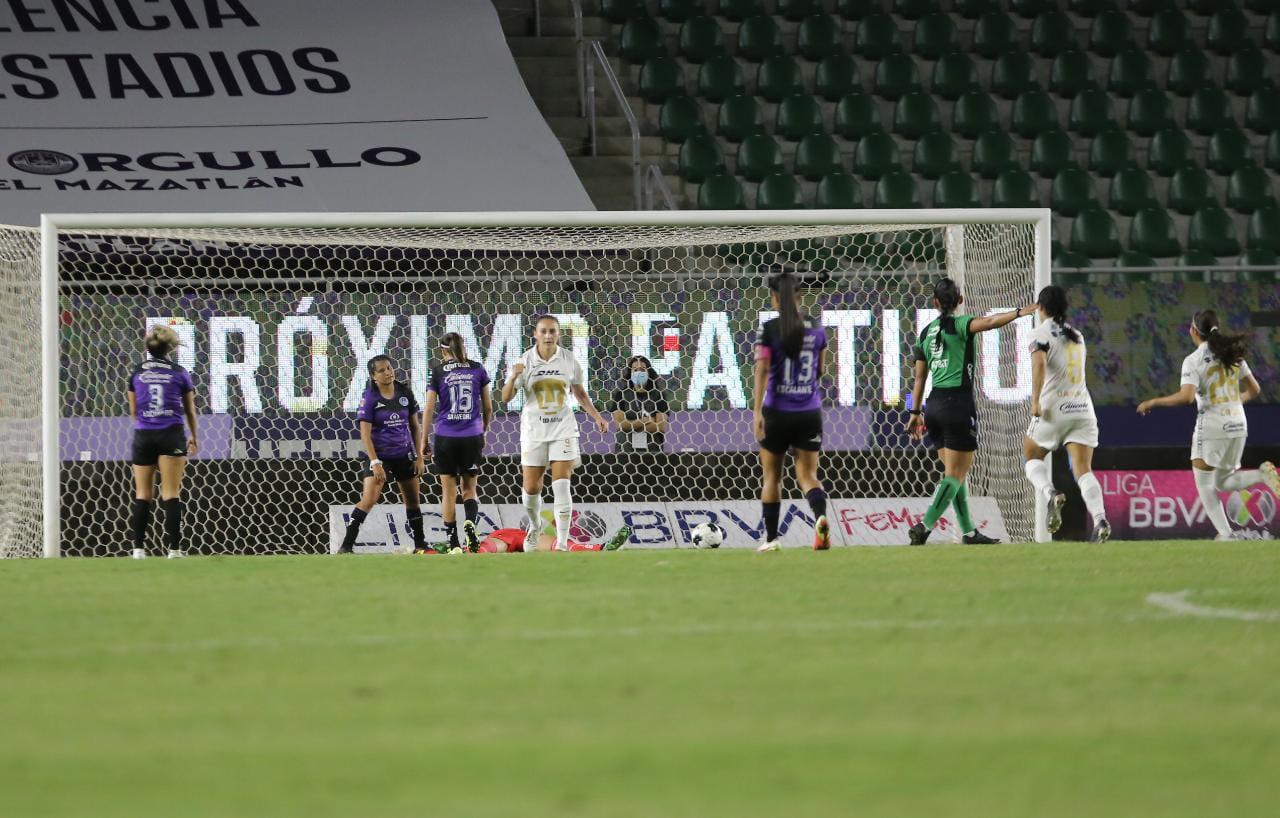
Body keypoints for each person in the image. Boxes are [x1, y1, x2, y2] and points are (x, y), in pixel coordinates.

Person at [906, 278, 1037, 546]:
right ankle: (924, 525)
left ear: (935, 302)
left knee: (952, 475)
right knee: (955, 475)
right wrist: (1019, 312)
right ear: (961, 300)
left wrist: (914, 411)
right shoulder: (961, 325)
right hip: (957, 404)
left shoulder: (926, 332)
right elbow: (989, 322)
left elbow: (919, 378)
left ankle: (968, 532)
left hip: (933, 406)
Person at [1137, 309, 1280, 540]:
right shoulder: (1233, 354)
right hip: (1238, 424)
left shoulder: (1193, 360)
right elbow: (1254, 390)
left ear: (1194, 331)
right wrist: (1233, 402)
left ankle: (1226, 535)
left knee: (1204, 484)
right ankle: (1262, 476)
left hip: (1212, 427)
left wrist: (1153, 401)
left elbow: (1186, 397)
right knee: (1222, 482)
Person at [501, 315, 610, 552]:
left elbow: (579, 394)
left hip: (563, 429)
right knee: (531, 488)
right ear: (535, 334)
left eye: (552, 331)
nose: (548, 335)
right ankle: (534, 525)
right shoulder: (525, 361)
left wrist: (597, 416)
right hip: (533, 431)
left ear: (559, 334)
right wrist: (513, 376)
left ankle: (561, 543)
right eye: (543, 331)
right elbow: (506, 397)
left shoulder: (569, 360)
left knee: (561, 485)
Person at [1021, 285, 1111, 543]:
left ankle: (1050, 493)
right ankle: (1100, 519)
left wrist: (1035, 401)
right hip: (1082, 408)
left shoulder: (1039, 333)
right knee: (1083, 469)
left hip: (1054, 408)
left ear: (1040, 308)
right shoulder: (1077, 335)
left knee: (1031, 455)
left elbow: (1039, 363)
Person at [752, 273, 831, 552]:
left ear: (775, 298)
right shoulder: (817, 327)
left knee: (772, 477)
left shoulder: (769, 329)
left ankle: (771, 539)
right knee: (808, 475)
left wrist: (757, 412)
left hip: (776, 412)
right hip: (809, 412)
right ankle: (820, 517)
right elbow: (820, 370)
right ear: (800, 296)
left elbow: (762, 370)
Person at [337, 355, 427, 554]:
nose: (388, 372)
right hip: (379, 457)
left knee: (413, 501)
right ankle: (346, 546)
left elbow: (415, 427)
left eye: (389, 367)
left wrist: (419, 456)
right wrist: (375, 462)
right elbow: (365, 435)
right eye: (382, 370)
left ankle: (421, 545)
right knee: (369, 499)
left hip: (404, 455)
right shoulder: (370, 398)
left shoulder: (405, 393)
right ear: (373, 376)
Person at [127, 324, 198, 559]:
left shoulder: (137, 372)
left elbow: (134, 411)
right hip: (171, 435)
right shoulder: (179, 372)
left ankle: (138, 549)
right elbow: (190, 410)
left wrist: (146, 426)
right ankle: (174, 550)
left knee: (142, 494)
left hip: (144, 436)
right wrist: (194, 436)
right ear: (171, 348)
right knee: (171, 493)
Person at [421, 332, 492, 552]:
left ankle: (453, 544)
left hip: (446, 437)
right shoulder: (477, 369)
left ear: (442, 350)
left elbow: (429, 408)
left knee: (448, 492)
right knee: (469, 489)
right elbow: (488, 407)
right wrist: (483, 431)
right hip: (472, 436)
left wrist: (423, 440)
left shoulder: (438, 371)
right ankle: (470, 522)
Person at [611, 355, 670, 453]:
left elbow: (661, 427)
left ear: (648, 372)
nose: (639, 372)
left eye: (642, 369)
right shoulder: (621, 395)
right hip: (625, 451)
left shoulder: (659, 395)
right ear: (630, 373)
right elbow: (620, 425)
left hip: (653, 451)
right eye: (635, 369)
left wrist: (630, 425)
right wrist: (646, 420)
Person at [473, 525, 631, 553]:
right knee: (561, 545)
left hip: (507, 536)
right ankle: (600, 548)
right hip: (521, 536)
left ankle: (472, 549)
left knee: (490, 547)